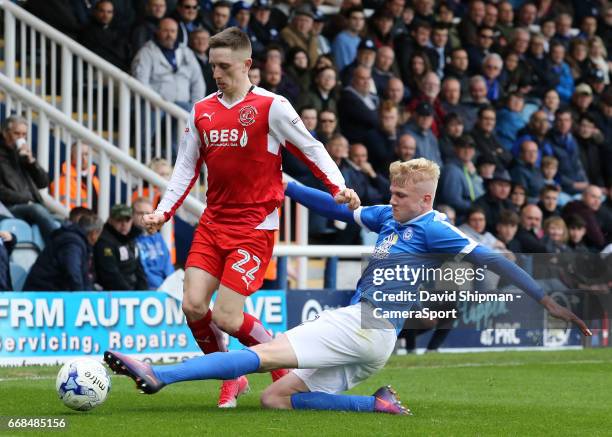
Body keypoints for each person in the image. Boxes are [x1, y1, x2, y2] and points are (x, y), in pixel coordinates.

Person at [105, 158, 591, 414]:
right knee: (276, 399)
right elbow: (337, 209)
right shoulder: (389, 218)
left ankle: (160, 375)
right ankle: (377, 404)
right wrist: (286, 184)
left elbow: (493, 259)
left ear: (424, 198)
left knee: (265, 355)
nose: (391, 200)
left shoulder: (435, 227)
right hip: (375, 342)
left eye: (400, 195)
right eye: (392, 192)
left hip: (366, 323)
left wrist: (545, 299)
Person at [138, 27, 358, 409]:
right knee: (192, 305)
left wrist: (337, 186)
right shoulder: (202, 110)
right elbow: (185, 168)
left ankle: (280, 371)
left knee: (226, 315)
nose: (217, 74)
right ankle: (231, 376)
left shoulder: (271, 106)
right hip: (213, 223)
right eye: (212, 66)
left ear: (247, 65)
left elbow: (311, 148)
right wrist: (162, 211)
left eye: (224, 66)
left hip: (254, 227)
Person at [0, 115, 59, 242]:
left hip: (31, 206)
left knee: (62, 220)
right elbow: (2, 191)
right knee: (36, 209)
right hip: (9, 207)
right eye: (17, 134)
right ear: (5, 134)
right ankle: (60, 245)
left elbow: (43, 183)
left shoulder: (22, 154)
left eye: (24, 134)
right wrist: (26, 200)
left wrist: (32, 162)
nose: (21, 138)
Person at [132, 17, 206, 111]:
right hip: (155, 105)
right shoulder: (146, 52)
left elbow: (198, 81)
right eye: (165, 31)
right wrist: (152, 100)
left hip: (183, 105)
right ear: (158, 31)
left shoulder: (186, 52)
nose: (169, 35)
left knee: (191, 114)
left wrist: (196, 105)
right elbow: (141, 80)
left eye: (173, 31)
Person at [23, 212, 103, 291]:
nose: (98, 239)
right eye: (99, 235)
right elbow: (73, 274)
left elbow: (83, 277)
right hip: (43, 294)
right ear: (94, 233)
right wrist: (82, 298)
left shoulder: (76, 240)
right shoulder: (72, 243)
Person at [94, 204, 148, 291]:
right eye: (119, 220)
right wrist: (130, 294)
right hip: (115, 294)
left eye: (127, 220)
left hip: (133, 292)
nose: (124, 224)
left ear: (132, 221)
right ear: (111, 220)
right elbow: (111, 274)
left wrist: (143, 293)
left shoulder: (131, 238)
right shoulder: (104, 241)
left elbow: (139, 270)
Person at [133, 197, 174, 290]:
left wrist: (170, 286)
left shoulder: (158, 238)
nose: (144, 217)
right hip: (145, 290)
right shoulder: (130, 239)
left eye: (148, 213)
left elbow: (168, 267)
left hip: (165, 289)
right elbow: (142, 272)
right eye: (140, 213)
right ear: (132, 215)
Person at [49, 143, 100, 210]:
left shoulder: (95, 181)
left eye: (86, 154)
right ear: (71, 157)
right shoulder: (62, 182)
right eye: (79, 155)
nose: (83, 158)